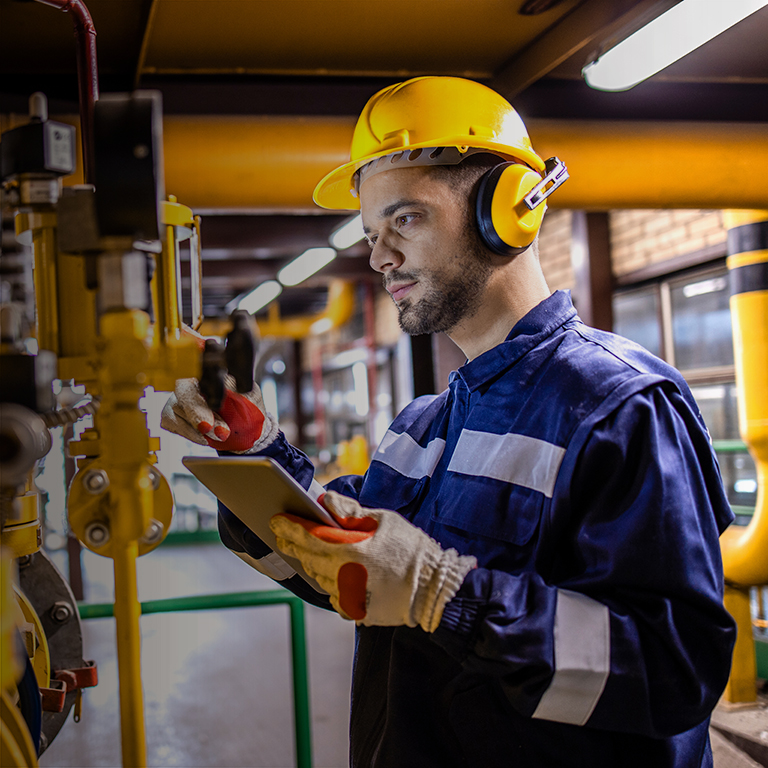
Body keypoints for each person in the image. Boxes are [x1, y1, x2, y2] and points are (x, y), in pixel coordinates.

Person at [162, 76, 736, 767]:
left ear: (506, 211)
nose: (378, 256)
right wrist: (252, 452)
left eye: (405, 219)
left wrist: (451, 600)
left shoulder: (620, 406)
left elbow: (676, 673)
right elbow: (339, 569)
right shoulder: (421, 426)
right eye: (372, 233)